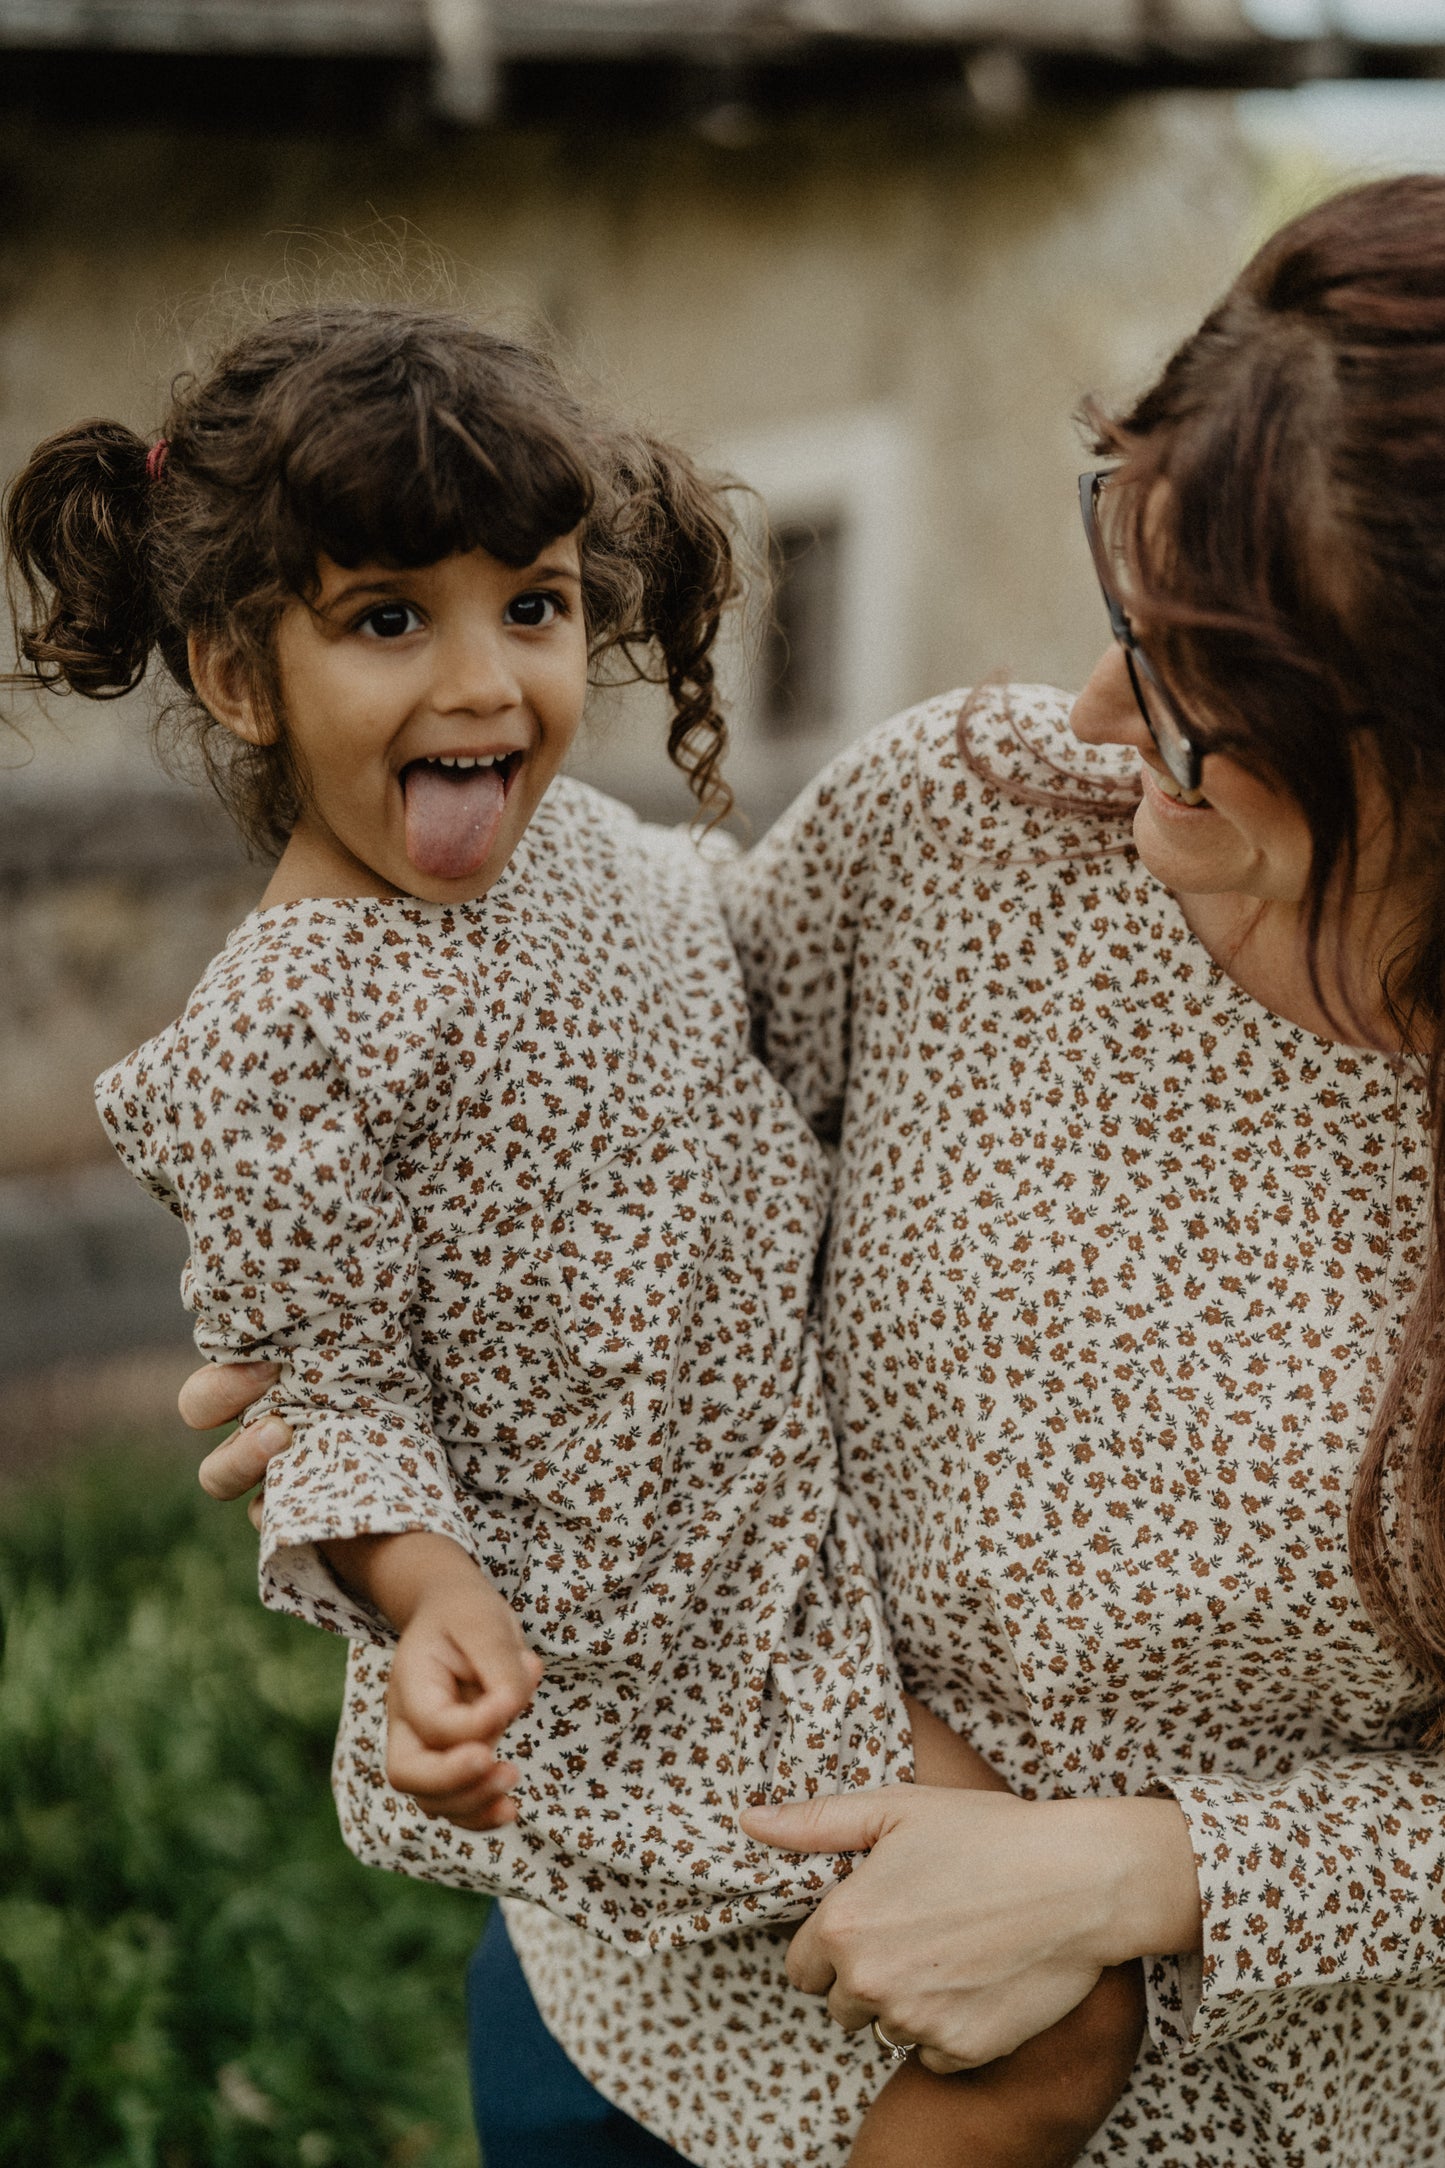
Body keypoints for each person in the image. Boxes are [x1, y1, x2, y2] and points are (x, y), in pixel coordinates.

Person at [187, 172, 1445, 2168]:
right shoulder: (970, 819)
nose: (1105, 716)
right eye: (1123, 606)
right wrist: (382, 1368)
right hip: (658, 1994)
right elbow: (631, 1113)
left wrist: (1141, 1874)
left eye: (1215, 694)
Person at [5, 304, 1145, 2167]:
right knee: (1061, 2012)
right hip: (631, 1661)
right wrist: (425, 1594)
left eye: (529, 607)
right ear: (236, 672)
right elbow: (331, 1383)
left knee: (965, 1968)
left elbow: (768, 1002)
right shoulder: (283, 1037)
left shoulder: (602, 863)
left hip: (794, 1559)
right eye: (389, 618)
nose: (484, 682)